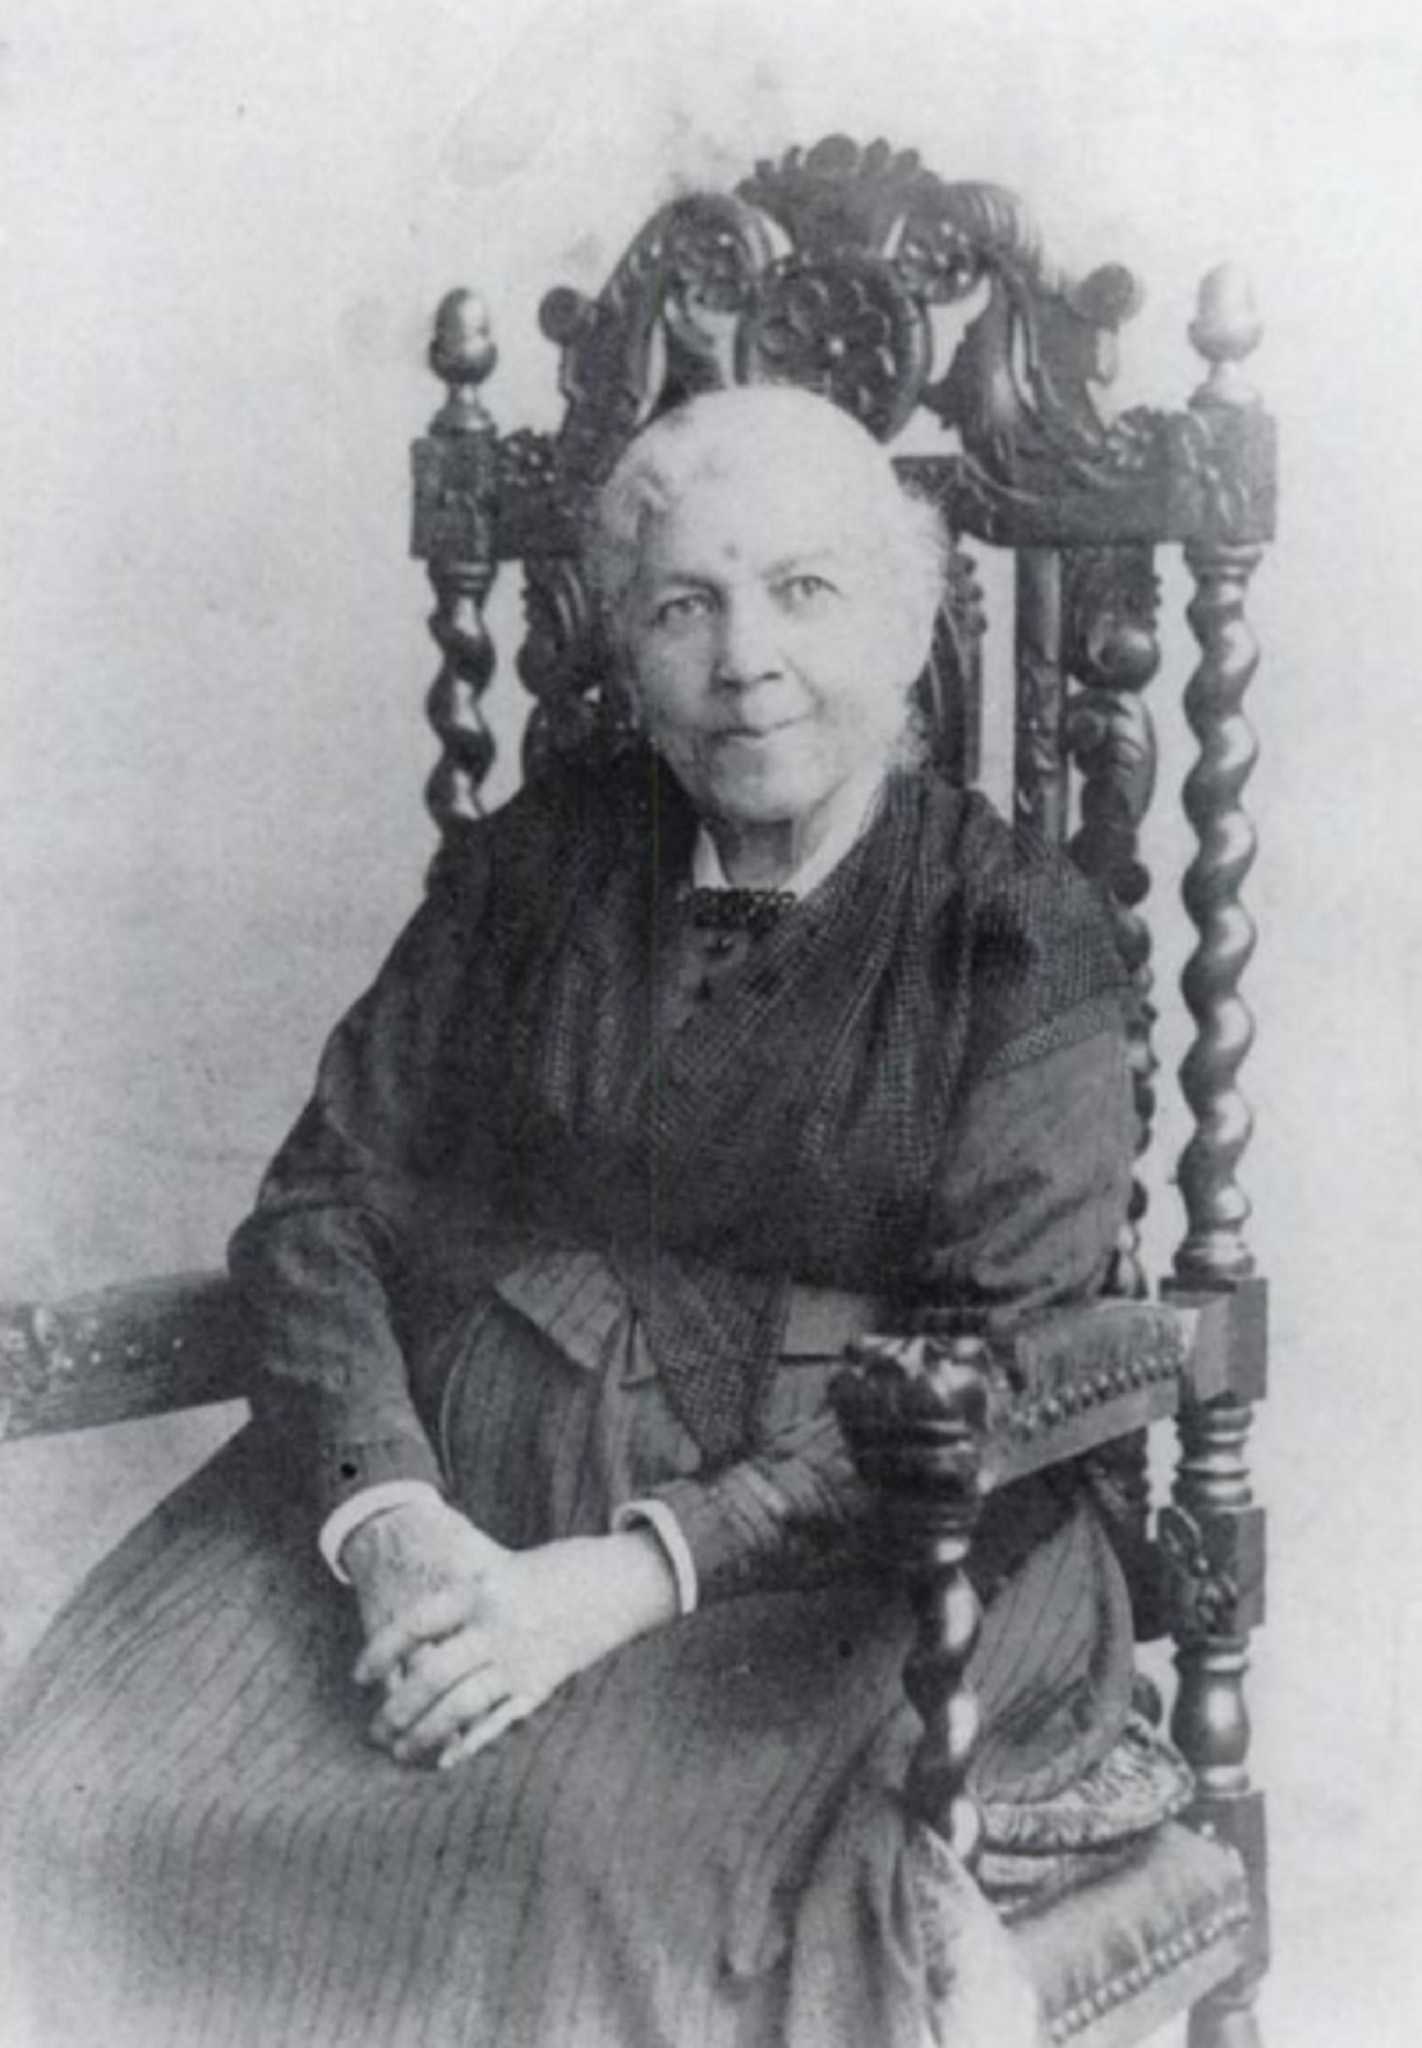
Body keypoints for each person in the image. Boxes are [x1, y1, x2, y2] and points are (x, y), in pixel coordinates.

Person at [0, 386, 1189, 2048]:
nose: (744, 656)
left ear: (912, 627)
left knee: (575, 1860)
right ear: (625, 649)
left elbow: (989, 1357)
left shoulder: (1017, 937)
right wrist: (391, 1522)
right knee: (68, 1777)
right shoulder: (532, 869)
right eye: (684, 604)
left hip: (861, 1548)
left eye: (803, 591)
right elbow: (323, 1206)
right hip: (451, 1492)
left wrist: (622, 1582)